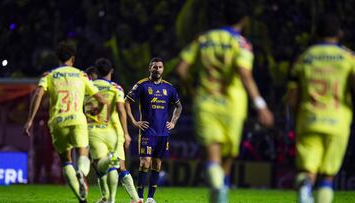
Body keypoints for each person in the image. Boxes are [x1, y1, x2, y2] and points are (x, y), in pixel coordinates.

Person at [176, 1, 273, 202]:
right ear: (244, 20)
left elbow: (181, 69)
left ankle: (218, 189)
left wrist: (192, 90)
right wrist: (260, 105)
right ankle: (221, 192)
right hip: (233, 105)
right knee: (229, 156)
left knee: (213, 157)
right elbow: (244, 74)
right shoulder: (242, 43)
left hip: (206, 102)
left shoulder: (204, 39)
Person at [23, 41, 107, 203]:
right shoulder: (82, 75)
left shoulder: (49, 75)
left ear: (58, 58)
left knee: (66, 160)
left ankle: (81, 198)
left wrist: (30, 119)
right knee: (83, 153)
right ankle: (81, 173)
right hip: (77, 119)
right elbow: (101, 99)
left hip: (58, 121)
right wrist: (97, 110)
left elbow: (38, 94)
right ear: (73, 59)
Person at [287, 14, 355, 203]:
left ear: (316, 34)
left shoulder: (304, 58)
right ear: (340, 34)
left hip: (308, 118)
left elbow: (293, 97)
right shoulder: (348, 58)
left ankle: (305, 187)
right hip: (338, 120)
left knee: (307, 170)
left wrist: (295, 120)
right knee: (327, 176)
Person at [125, 57, 182, 203]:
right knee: (145, 163)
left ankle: (150, 197)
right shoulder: (142, 85)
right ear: (149, 68)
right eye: (154, 67)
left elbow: (179, 106)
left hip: (163, 133)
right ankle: (138, 197)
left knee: (157, 164)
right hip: (147, 132)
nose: (157, 69)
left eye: (160, 67)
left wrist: (173, 122)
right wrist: (134, 121)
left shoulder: (169, 88)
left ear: (163, 69)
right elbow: (126, 102)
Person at [85, 58, 141, 203]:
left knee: (102, 166)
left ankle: (107, 198)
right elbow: (121, 110)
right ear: (111, 71)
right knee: (119, 166)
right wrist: (126, 133)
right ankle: (135, 199)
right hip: (115, 132)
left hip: (96, 131)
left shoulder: (88, 88)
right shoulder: (116, 88)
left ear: (96, 72)